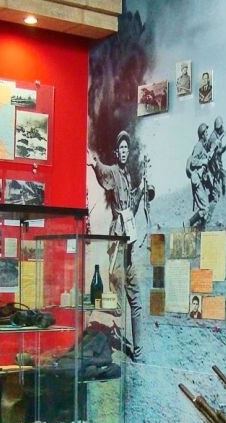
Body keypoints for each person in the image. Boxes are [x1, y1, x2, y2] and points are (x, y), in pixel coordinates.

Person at [88, 130, 150, 359]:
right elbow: (104, 172)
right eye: (121, 148)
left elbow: (132, 208)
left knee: (135, 298)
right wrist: (95, 164)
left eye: (126, 148)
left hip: (129, 244)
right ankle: (97, 319)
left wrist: (141, 189)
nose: (124, 151)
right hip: (117, 243)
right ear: (117, 152)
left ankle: (138, 352)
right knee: (117, 299)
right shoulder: (114, 171)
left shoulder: (128, 176)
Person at [186, 123, 213, 229]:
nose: (207, 134)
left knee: (205, 207)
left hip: (200, 180)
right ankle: (189, 223)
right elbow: (193, 161)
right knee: (205, 208)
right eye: (206, 132)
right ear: (202, 134)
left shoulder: (202, 146)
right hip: (196, 180)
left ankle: (201, 230)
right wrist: (203, 161)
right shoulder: (198, 146)